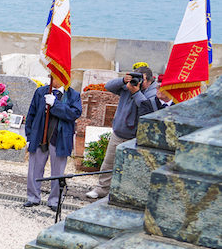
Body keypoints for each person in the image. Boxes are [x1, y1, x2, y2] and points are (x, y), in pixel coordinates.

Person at [86, 65, 157, 200]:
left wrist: (136, 93)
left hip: (136, 137)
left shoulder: (152, 92)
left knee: (131, 168)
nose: (138, 82)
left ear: (148, 80)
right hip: (118, 133)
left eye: (141, 80)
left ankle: (124, 194)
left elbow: (147, 109)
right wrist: (123, 81)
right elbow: (108, 86)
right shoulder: (128, 86)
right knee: (108, 163)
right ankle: (102, 189)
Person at [24, 76, 82, 209]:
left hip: (60, 139)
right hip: (39, 137)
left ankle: (54, 201)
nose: (52, 79)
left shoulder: (73, 95)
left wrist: (55, 104)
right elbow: (31, 114)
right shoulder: (41, 92)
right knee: (34, 169)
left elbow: (74, 114)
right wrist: (29, 136)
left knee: (58, 172)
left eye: (55, 77)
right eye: (51, 76)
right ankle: (33, 197)